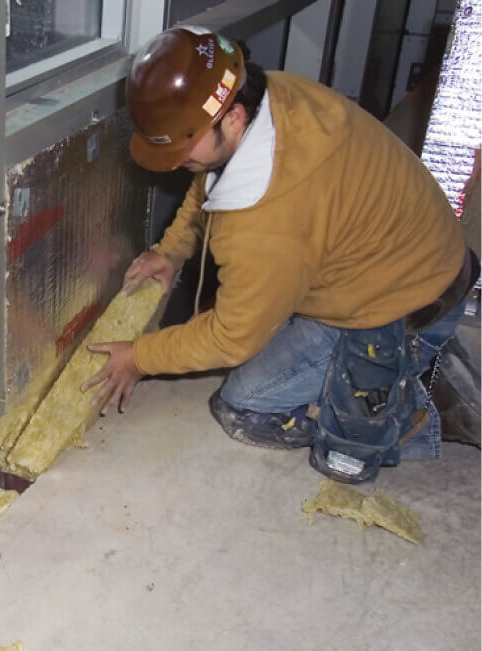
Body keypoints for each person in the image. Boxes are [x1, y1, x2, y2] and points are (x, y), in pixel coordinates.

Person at [81, 26, 478, 482]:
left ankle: (406, 403)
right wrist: (172, 251)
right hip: (395, 256)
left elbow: (232, 337)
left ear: (232, 119)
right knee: (263, 311)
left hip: (405, 301)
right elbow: (209, 174)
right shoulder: (273, 98)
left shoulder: (265, 223)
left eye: (182, 147)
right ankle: (394, 367)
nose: (175, 161)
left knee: (255, 413)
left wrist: (139, 356)